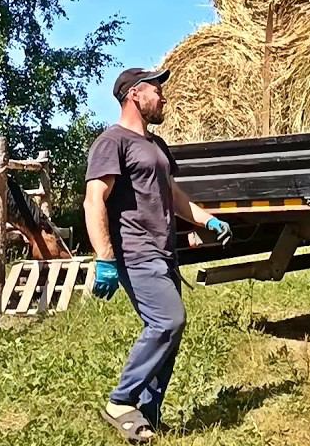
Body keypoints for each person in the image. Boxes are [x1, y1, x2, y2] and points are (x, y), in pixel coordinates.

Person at [85, 67, 233, 443]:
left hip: (166, 253)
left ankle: (146, 415)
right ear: (135, 94)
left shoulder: (157, 146)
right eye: (157, 90)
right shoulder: (111, 142)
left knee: (171, 334)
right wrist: (104, 257)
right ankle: (121, 401)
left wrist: (206, 220)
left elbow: (172, 194)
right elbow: (94, 200)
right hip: (135, 252)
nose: (164, 96)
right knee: (167, 322)